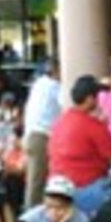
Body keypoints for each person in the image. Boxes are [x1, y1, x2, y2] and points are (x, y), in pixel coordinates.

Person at [48, 75, 111, 216]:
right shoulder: (93, 125)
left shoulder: (60, 121)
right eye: (97, 95)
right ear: (90, 99)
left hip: (57, 188)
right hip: (84, 188)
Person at [23, 57, 62, 208]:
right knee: (37, 181)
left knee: (36, 179)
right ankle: (30, 217)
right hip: (41, 136)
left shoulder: (39, 84)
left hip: (32, 135)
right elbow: (66, 104)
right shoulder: (54, 87)